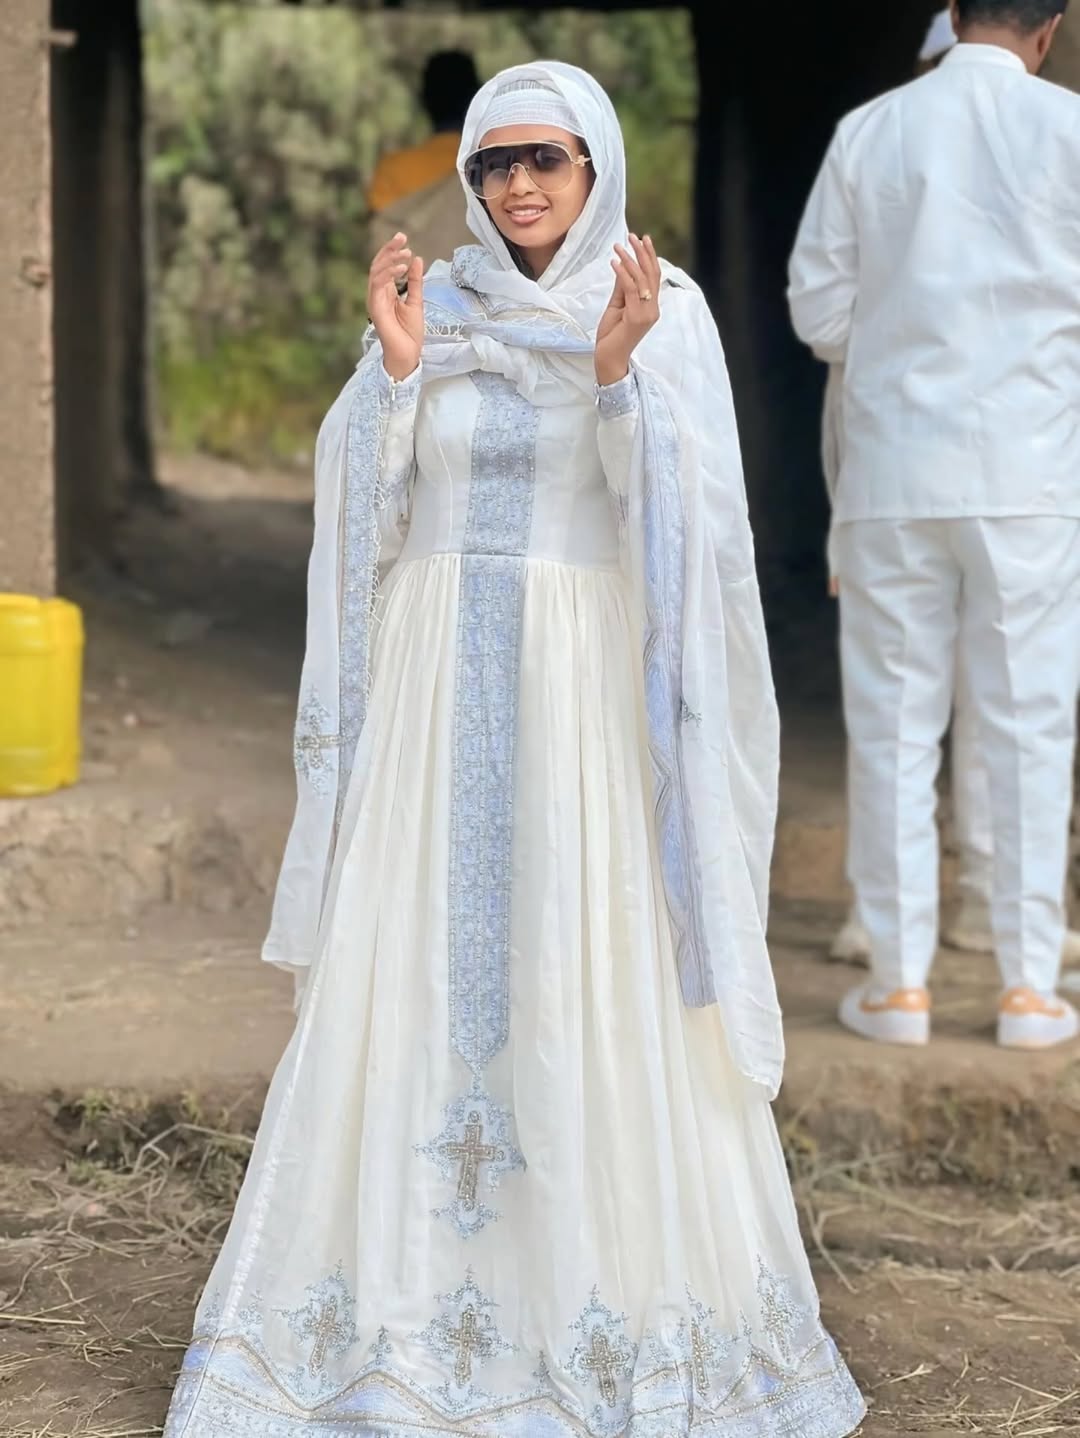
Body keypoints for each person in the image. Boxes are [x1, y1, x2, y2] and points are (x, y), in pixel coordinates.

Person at [162, 61, 865, 1438]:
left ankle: (594, 1326)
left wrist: (612, 382)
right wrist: (400, 380)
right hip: (434, 702)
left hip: (583, 706)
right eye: (495, 165)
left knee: (577, 963)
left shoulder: (663, 319)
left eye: (546, 158)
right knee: (413, 971)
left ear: (596, 165)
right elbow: (369, 509)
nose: (521, 186)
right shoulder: (438, 306)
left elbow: (690, 541)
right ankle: (391, 1338)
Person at [789, 0, 1080, 1050]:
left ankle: (901, 987)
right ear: (1050, 31)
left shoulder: (872, 131)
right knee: (1027, 725)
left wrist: (907, 333)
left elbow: (816, 311)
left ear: (953, 17)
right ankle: (1027, 990)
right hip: (1032, 475)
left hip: (894, 470)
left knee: (896, 727)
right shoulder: (1073, 132)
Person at [367, 50, 480, 263]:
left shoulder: (393, 170)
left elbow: (385, 258)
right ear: (476, 99)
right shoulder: (496, 168)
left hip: (416, 295)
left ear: (425, 101)